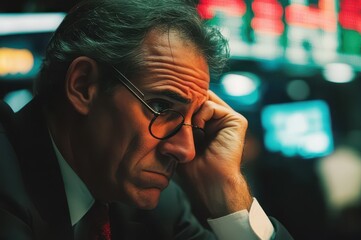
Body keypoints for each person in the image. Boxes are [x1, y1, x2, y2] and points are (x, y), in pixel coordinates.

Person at [0, 0, 293, 239]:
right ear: (83, 85)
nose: (186, 150)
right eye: (160, 106)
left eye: (194, 119)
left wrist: (228, 192)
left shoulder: (161, 207)